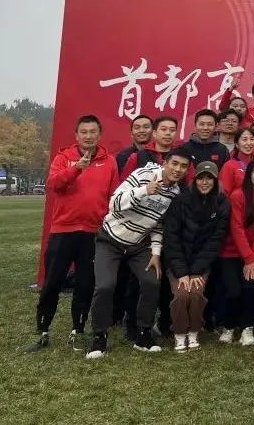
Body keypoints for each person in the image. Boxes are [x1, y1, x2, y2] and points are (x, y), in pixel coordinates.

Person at [25, 115, 119, 353]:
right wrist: (76, 169)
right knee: (52, 282)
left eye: (93, 132)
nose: (88, 136)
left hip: (92, 232)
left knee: (85, 284)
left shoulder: (109, 161)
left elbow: (113, 195)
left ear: (99, 135)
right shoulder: (63, 157)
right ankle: (43, 329)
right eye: (84, 132)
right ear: (76, 135)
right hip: (63, 230)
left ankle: (78, 330)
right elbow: (53, 185)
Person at [86, 149, 191, 359]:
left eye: (183, 166)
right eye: (174, 164)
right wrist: (144, 190)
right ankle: (99, 336)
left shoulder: (176, 193)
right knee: (105, 286)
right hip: (110, 239)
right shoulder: (143, 174)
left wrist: (156, 253)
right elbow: (114, 203)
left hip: (138, 245)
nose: (178, 169)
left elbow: (159, 225)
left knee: (152, 282)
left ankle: (144, 334)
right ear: (165, 163)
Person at [161, 161, 230, 352]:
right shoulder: (180, 201)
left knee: (197, 293)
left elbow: (215, 241)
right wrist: (182, 272)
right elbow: (171, 237)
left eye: (209, 178)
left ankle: (193, 332)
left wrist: (196, 271)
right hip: (177, 262)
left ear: (215, 181)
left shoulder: (222, 203)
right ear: (195, 179)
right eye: (201, 178)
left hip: (201, 263)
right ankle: (179, 333)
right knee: (182, 294)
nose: (205, 182)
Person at [219, 158, 254, 346]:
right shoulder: (238, 195)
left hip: (252, 254)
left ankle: (247, 328)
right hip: (231, 252)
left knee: (251, 287)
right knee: (233, 291)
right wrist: (249, 258)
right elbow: (236, 228)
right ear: (249, 174)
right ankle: (228, 326)